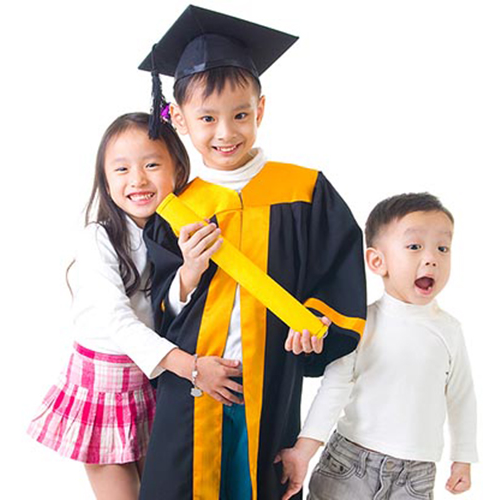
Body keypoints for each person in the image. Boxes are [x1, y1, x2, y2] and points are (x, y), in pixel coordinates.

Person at [138, 6, 366, 500]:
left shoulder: (305, 192)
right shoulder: (175, 208)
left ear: (260, 110)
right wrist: (188, 276)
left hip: (270, 389)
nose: (226, 132)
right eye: (207, 118)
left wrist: (316, 324)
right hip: (191, 392)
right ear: (177, 119)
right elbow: (152, 309)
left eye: (241, 114)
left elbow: (340, 281)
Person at [27, 112, 244, 500]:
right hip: (104, 388)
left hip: (149, 382)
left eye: (152, 164)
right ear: (106, 182)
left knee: (164, 491)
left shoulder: (175, 228)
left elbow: (167, 313)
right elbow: (119, 322)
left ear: (178, 169)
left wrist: (191, 271)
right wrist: (193, 369)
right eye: (122, 169)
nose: (138, 180)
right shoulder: (98, 238)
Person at [276, 193, 478, 500]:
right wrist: (304, 451)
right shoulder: (363, 323)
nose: (432, 258)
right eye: (414, 247)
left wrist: (462, 458)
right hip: (350, 463)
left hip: (416, 476)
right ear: (377, 261)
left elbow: (461, 396)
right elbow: (334, 387)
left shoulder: (449, 331)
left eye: (443, 248)